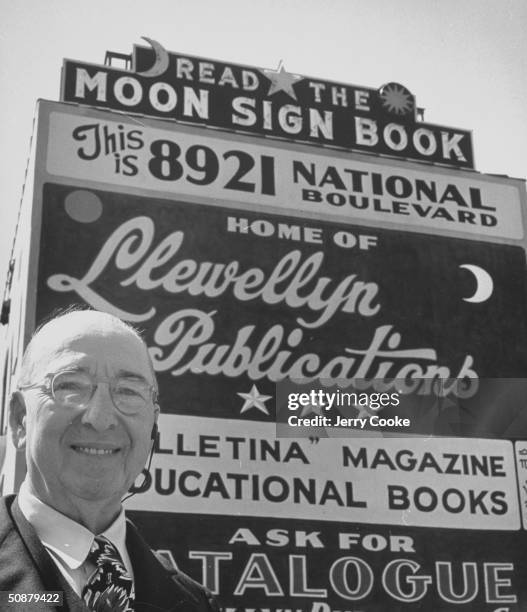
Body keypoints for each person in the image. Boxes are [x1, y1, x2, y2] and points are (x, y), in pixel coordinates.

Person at [0, 309, 219, 611]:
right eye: (71, 386)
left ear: (152, 425)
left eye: (128, 391)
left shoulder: (194, 602)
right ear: (20, 418)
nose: (101, 419)